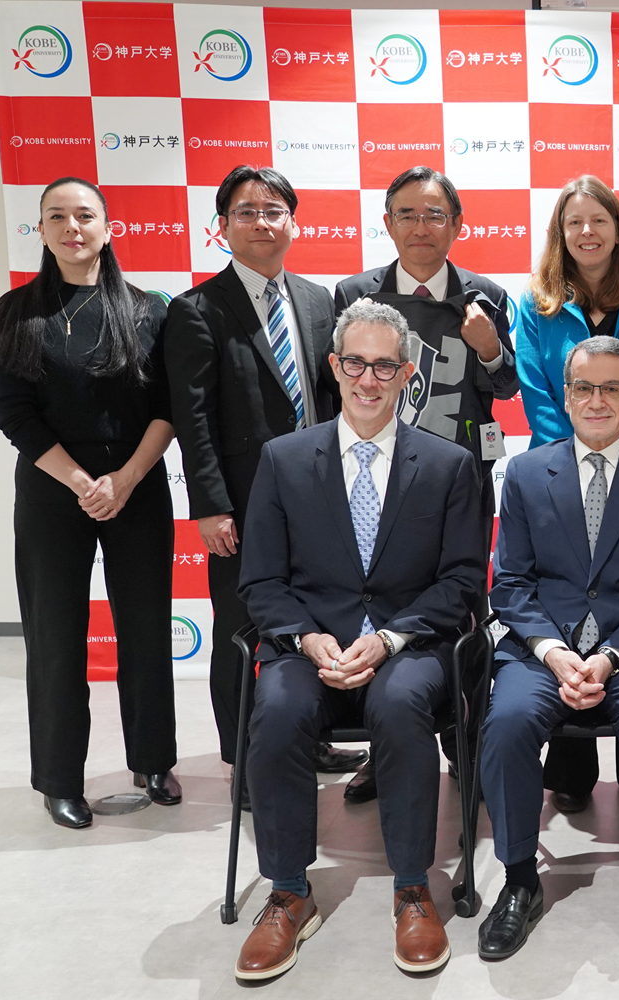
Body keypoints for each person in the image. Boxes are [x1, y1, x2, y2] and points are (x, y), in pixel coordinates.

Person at [233, 298, 486, 979]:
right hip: (308, 647)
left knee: (400, 706)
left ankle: (412, 887)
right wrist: (308, 638)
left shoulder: (448, 464)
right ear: (333, 367)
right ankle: (288, 892)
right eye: (355, 364)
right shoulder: (283, 460)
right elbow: (260, 581)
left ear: (408, 373)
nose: (368, 380)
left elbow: (462, 581)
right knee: (279, 710)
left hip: (410, 648)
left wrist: (393, 639)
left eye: (383, 366)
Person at [475, 336, 619, 964]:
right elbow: (511, 584)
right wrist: (552, 652)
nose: (597, 401)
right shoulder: (523, 472)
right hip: (543, 649)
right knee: (510, 720)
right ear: (565, 397)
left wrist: (609, 659)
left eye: (612, 389)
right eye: (584, 389)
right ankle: (520, 879)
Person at [0, 177, 179, 829]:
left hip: (138, 482)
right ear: (40, 229)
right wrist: (82, 482)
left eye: (85, 215)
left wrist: (122, 480)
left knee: (147, 630)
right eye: (57, 216)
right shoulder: (15, 313)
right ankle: (60, 779)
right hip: (50, 489)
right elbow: (13, 413)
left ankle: (154, 760)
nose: (73, 226)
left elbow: (167, 408)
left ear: (107, 226)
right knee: (57, 637)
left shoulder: (151, 309)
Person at [165, 165, 361, 791]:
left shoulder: (316, 299)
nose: (261, 222)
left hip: (318, 498)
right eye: (245, 212)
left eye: (273, 210)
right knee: (239, 629)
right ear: (222, 227)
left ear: (293, 223)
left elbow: (330, 401)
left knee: (318, 623)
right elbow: (192, 420)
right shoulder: (196, 309)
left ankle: (315, 739)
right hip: (242, 504)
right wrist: (211, 506)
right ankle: (243, 760)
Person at [333, 165, 516, 804]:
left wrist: (490, 349)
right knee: (378, 607)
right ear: (386, 224)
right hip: (372, 487)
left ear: (457, 226)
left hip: (459, 487)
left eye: (434, 215)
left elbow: (507, 387)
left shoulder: (485, 295)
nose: (420, 227)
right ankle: (388, 750)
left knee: (463, 613)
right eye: (406, 214)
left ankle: (463, 746)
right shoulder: (354, 294)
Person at [516, 174, 619, 813]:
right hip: (561, 473)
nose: (586, 232)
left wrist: (617, 456)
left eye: (599, 220)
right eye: (573, 222)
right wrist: (587, 452)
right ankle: (572, 751)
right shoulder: (534, 304)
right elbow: (540, 397)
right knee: (568, 587)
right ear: (560, 234)